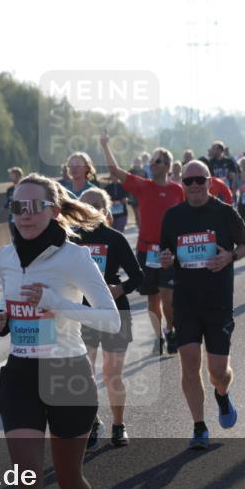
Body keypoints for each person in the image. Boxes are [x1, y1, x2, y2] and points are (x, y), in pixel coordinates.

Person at [0, 174, 119, 489]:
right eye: (17, 208)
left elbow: (110, 320)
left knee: (68, 479)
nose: (23, 215)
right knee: (26, 481)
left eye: (32, 207)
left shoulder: (74, 257)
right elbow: (15, 313)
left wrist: (59, 304)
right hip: (22, 373)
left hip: (67, 373)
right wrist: (1, 323)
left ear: (53, 211)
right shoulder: (5, 257)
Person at [159, 160, 245, 449]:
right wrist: (166, 260)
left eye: (200, 180)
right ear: (182, 185)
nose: (195, 185)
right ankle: (199, 426)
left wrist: (229, 257)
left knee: (218, 372)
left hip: (218, 302)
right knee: (189, 363)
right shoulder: (173, 217)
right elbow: (166, 253)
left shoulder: (224, 213)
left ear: (210, 182)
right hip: (186, 301)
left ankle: (222, 395)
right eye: (189, 181)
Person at [100, 132, 184, 355]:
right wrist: (105, 145)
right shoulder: (143, 186)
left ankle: (170, 329)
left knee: (168, 296)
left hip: (169, 252)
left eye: (157, 161)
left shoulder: (177, 190)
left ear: (167, 165)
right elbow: (115, 172)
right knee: (152, 298)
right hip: (147, 251)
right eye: (151, 161)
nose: (152, 165)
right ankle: (158, 337)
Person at [76, 188, 143, 447]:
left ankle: (118, 424)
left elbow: (138, 276)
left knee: (112, 373)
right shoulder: (71, 240)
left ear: (105, 210)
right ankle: (93, 422)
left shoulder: (115, 239)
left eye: (95, 205)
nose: (90, 210)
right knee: (84, 373)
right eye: (85, 206)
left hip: (115, 312)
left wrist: (120, 288)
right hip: (83, 312)